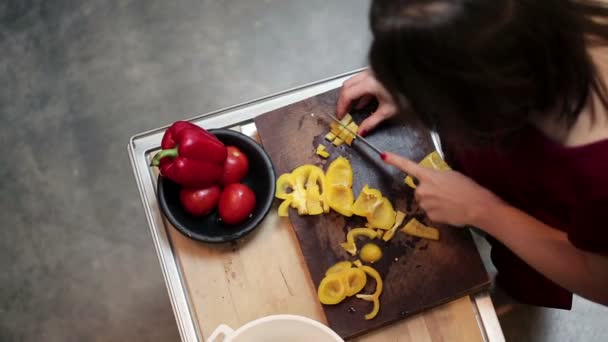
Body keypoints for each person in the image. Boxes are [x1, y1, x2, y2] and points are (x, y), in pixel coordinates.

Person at [337, 0, 608, 309]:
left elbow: (600, 280)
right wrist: (414, 71)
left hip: (543, 224)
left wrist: (482, 209)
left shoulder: (600, 176)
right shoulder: (513, 41)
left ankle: (516, 294)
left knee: (524, 271)